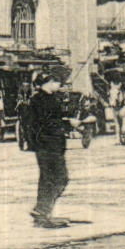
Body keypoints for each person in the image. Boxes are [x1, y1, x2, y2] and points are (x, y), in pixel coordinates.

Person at [22, 68, 73, 228]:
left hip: (45, 145)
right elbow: (49, 123)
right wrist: (69, 123)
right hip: (50, 145)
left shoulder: (41, 98)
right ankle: (42, 210)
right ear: (50, 82)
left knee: (47, 179)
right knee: (59, 178)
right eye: (58, 82)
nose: (59, 86)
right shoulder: (43, 100)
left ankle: (42, 212)